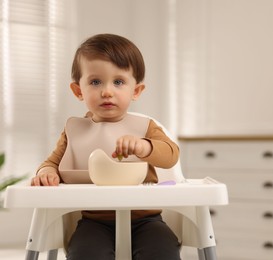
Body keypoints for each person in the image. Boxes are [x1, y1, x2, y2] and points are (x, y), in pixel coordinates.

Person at [31, 34, 181, 260]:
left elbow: (171, 155)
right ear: (78, 90)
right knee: (84, 253)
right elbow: (52, 162)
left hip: (146, 220)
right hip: (95, 221)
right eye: (95, 82)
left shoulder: (145, 127)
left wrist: (145, 147)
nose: (107, 91)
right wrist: (46, 173)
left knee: (162, 252)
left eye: (119, 82)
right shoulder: (74, 130)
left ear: (136, 91)